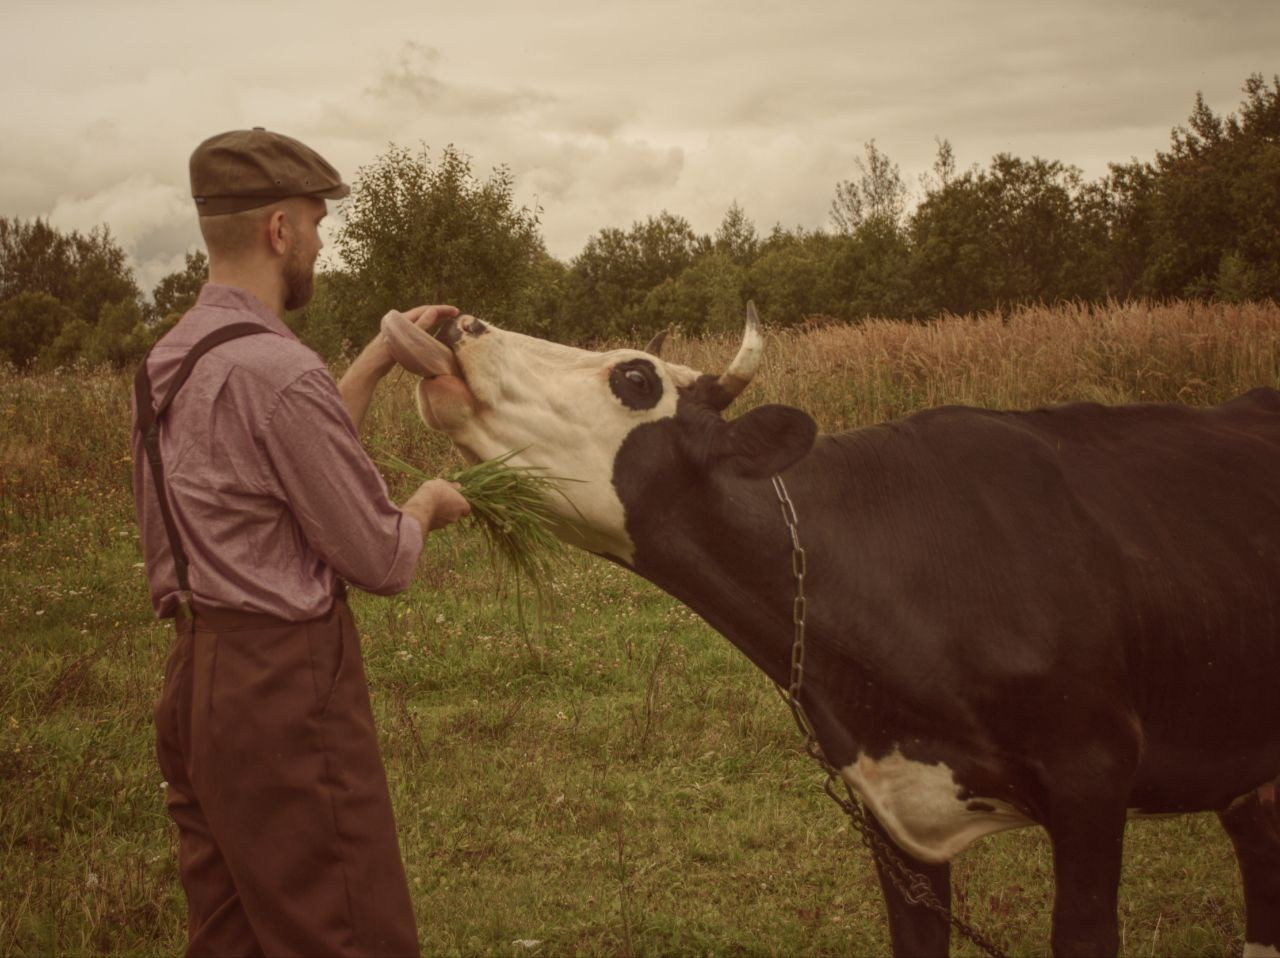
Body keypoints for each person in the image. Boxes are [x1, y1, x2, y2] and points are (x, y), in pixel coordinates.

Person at [131, 127, 469, 956]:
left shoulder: (168, 362)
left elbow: (290, 459)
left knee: (233, 936)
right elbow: (379, 558)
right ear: (279, 229)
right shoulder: (279, 373)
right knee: (346, 932)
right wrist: (427, 504)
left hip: (198, 683)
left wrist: (380, 356)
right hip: (283, 691)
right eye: (316, 222)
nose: (320, 241)